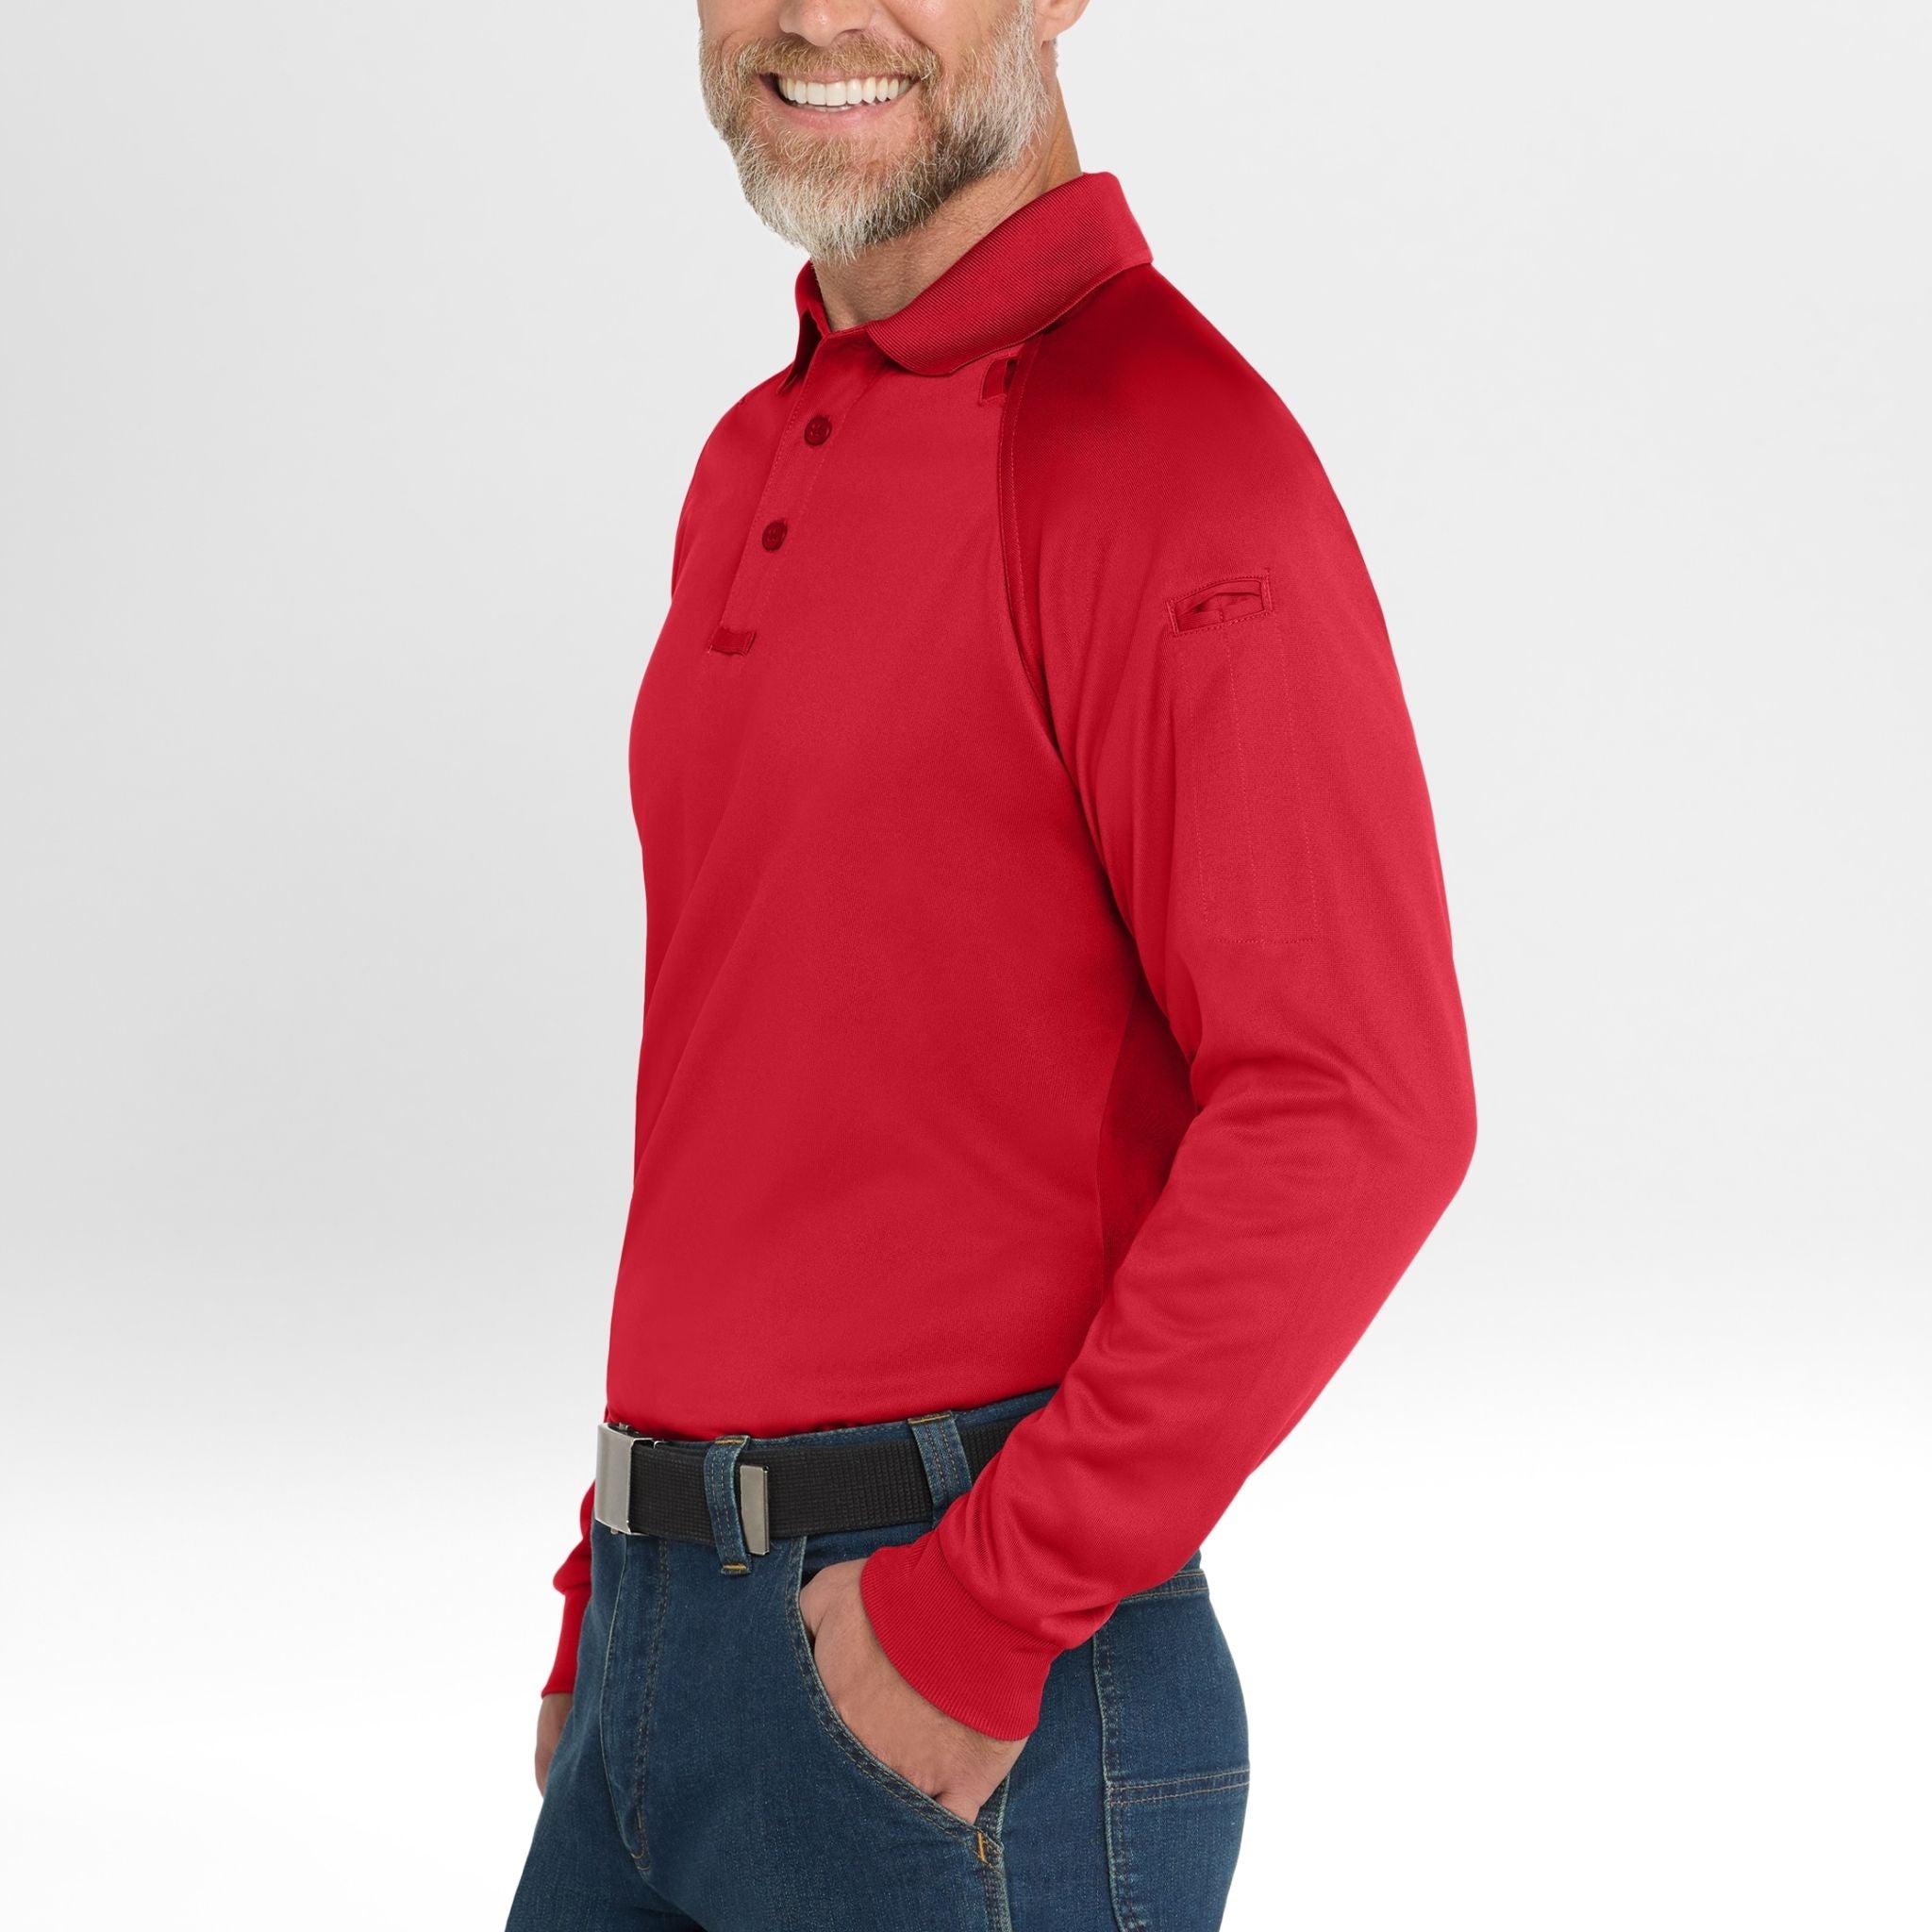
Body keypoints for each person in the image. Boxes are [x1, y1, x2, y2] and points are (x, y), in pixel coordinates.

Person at [505, 2, 1478, 1926]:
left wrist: (979, 1606)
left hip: (970, 1688)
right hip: (658, 1644)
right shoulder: (749, 453)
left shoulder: (1160, 450)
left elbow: (1357, 1105)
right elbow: (761, 1072)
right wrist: (611, 1579)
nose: (815, 14)